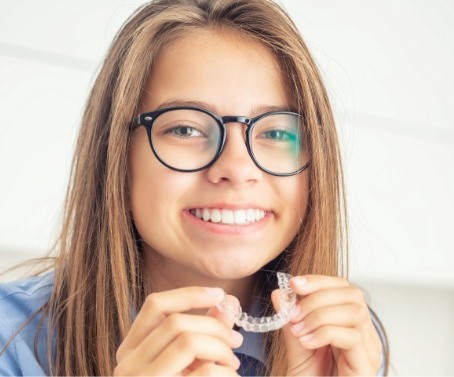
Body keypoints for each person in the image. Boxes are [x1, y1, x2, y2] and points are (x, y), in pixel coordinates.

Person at [0, 0, 389, 375]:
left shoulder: (341, 344)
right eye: (185, 129)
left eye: (275, 131)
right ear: (116, 155)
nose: (238, 169)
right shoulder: (8, 341)